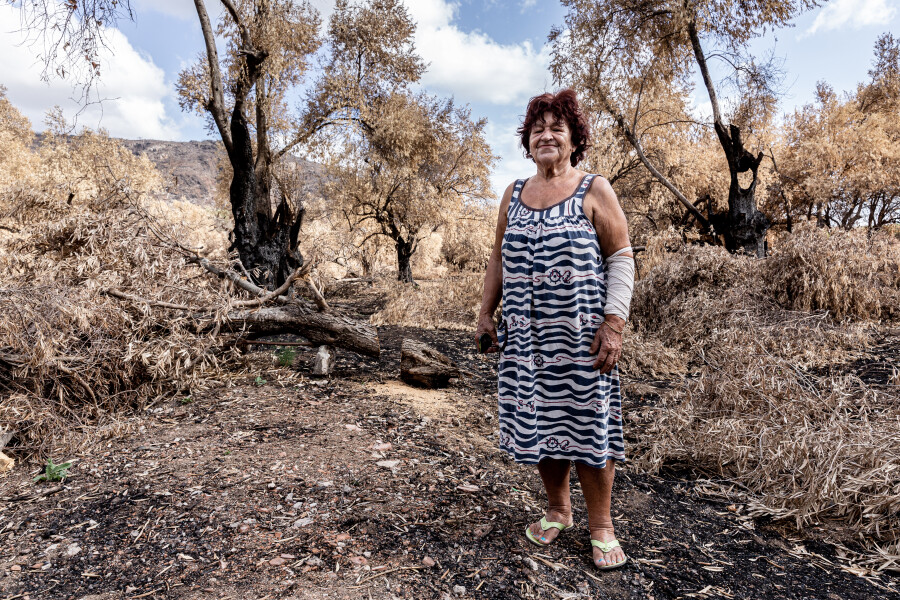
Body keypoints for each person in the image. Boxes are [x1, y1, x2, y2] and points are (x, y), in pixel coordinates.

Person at [476, 89, 635, 570]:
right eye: (537, 129)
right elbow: (499, 258)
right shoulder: (513, 194)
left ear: (573, 139)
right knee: (542, 422)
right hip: (526, 341)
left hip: (582, 339)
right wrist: (486, 313)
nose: (546, 135)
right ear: (527, 141)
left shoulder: (594, 189)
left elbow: (621, 256)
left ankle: (602, 527)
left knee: (588, 426)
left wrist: (614, 324)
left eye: (556, 128)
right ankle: (558, 511)